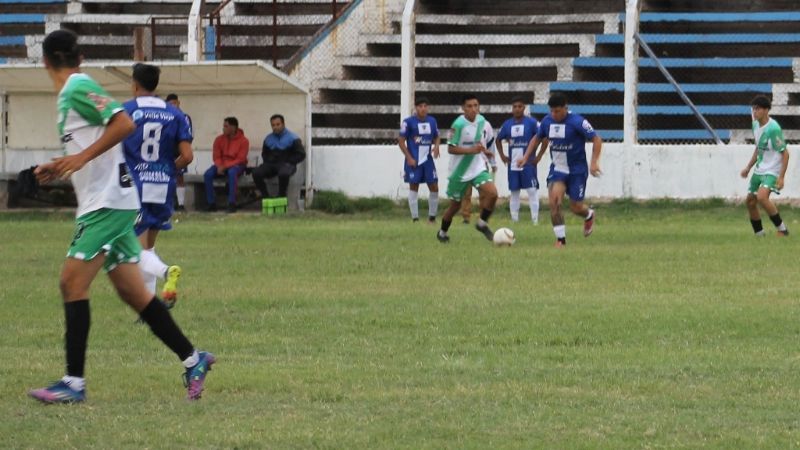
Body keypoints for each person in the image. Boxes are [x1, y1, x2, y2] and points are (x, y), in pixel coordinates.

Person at [29, 29, 214, 404]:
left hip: (109, 203)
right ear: (79, 57)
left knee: (71, 283)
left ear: (44, 61)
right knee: (134, 292)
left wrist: (79, 159)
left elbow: (123, 123)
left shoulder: (77, 87)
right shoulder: (76, 89)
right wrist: (62, 164)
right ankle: (194, 359)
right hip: (110, 198)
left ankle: (74, 383)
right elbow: (95, 140)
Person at [122, 64, 193, 306]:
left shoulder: (126, 110)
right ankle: (152, 307)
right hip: (163, 184)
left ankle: (166, 271)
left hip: (135, 185)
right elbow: (187, 156)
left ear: (134, 84)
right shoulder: (174, 114)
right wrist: (168, 169)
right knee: (147, 247)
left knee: (132, 250)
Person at [520, 93, 602, 247]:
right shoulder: (547, 121)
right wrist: (526, 157)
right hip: (558, 169)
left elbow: (596, 139)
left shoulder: (578, 121)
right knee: (555, 202)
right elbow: (536, 139)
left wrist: (594, 162)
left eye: (558, 111)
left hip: (577, 170)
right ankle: (560, 240)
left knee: (575, 207)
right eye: (552, 111)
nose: (554, 114)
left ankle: (589, 215)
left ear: (566, 108)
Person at [437, 94, 498, 243]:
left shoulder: (481, 121)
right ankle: (442, 232)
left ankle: (482, 224)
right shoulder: (457, 125)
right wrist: (471, 151)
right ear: (463, 108)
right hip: (459, 171)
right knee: (455, 206)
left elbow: (477, 142)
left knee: (492, 193)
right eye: (469, 106)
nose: (473, 109)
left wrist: (484, 151)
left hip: (477, 166)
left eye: (476, 105)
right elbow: (451, 149)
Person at [740, 95, 790, 237]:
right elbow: (758, 148)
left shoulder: (773, 129)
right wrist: (748, 168)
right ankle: (759, 234)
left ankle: (782, 229)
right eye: (753, 109)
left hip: (772, 170)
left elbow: (785, 154)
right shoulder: (755, 125)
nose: (754, 112)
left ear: (766, 110)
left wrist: (781, 177)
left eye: (758, 109)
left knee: (762, 197)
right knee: (750, 201)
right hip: (760, 168)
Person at [497, 96, 540, 224]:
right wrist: (502, 156)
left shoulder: (532, 122)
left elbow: (544, 138)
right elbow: (498, 140)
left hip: (528, 164)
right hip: (513, 164)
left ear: (524, 108)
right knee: (514, 192)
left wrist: (539, 156)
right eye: (514, 107)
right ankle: (514, 221)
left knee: (532, 191)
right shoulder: (507, 124)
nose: (517, 109)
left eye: (519, 106)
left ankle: (535, 221)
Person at [398, 97, 440, 223]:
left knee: (434, 186)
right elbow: (401, 141)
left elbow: (437, 137)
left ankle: (432, 218)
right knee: (414, 186)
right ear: (416, 108)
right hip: (414, 160)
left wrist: (437, 147)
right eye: (420, 106)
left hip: (427, 160)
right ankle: (415, 219)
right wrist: (409, 158)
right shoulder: (408, 122)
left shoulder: (432, 121)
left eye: (425, 106)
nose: (423, 108)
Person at [251, 114, 306, 199]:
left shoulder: (293, 138)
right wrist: (268, 161)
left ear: (283, 124)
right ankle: (265, 196)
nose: (275, 127)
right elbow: (264, 154)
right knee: (256, 173)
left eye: (278, 124)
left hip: (287, 164)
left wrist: (289, 161)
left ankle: (281, 196)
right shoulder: (268, 138)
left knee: (283, 173)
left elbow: (301, 154)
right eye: (273, 125)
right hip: (271, 165)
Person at [203, 117, 249, 212]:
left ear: (233, 127)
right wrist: (220, 165)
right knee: (208, 174)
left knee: (232, 173)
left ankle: (231, 203)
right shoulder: (219, 139)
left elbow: (241, 159)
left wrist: (225, 166)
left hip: (237, 165)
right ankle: (211, 203)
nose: (223, 128)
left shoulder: (244, 141)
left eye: (226, 126)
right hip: (221, 165)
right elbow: (216, 156)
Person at [165, 93, 192, 212]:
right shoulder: (165, 116)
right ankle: (169, 203)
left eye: (174, 103)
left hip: (180, 152)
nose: (173, 106)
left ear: (178, 102)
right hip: (167, 152)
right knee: (166, 176)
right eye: (170, 104)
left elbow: (189, 135)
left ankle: (181, 204)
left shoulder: (184, 117)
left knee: (179, 177)